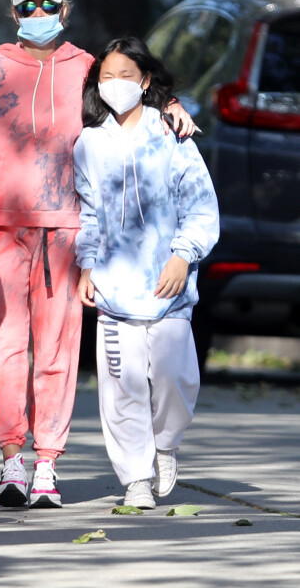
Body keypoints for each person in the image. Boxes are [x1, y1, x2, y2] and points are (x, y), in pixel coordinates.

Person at [0, 0, 195, 509]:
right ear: (12, 11)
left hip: (68, 228)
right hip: (1, 226)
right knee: (8, 346)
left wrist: (172, 105)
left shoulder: (88, 67)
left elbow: (130, 91)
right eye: (28, 6)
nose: (38, 15)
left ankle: (48, 464)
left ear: (65, 9)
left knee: (60, 349)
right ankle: (11, 460)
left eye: (48, 5)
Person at [73, 36, 219, 509]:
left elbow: (201, 205)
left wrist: (183, 254)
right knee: (121, 386)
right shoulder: (89, 143)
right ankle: (136, 476)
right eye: (107, 77)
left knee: (177, 378)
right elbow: (89, 213)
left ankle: (165, 445)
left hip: (169, 286)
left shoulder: (173, 133)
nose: (116, 85)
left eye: (126, 76)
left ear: (146, 80)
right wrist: (86, 265)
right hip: (115, 291)